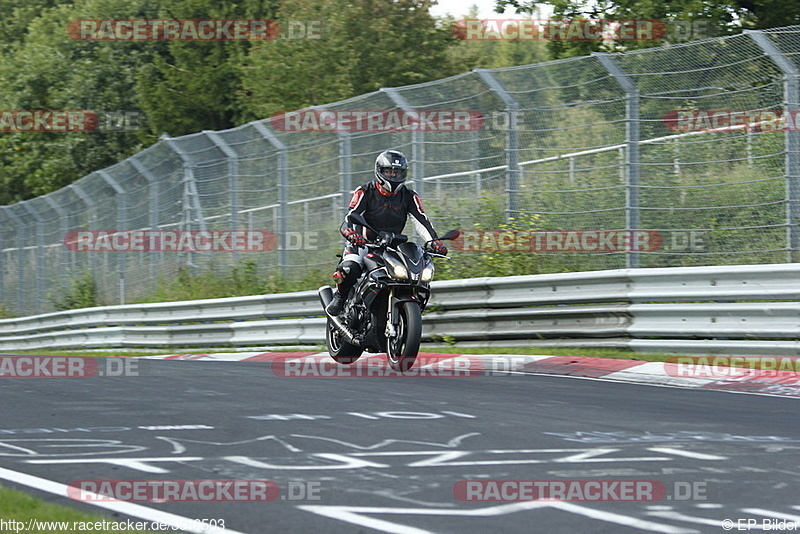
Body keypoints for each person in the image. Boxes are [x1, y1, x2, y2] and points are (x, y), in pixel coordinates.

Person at [326, 149, 447, 316]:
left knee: (412, 274)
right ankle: (340, 297)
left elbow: (421, 220)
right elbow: (351, 216)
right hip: (363, 244)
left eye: (397, 172)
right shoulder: (365, 191)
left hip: (391, 247)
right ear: (379, 171)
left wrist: (433, 241)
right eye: (389, 171)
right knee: (350, 268)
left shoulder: (409, 196)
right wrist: (352, 234)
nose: (393, 175)